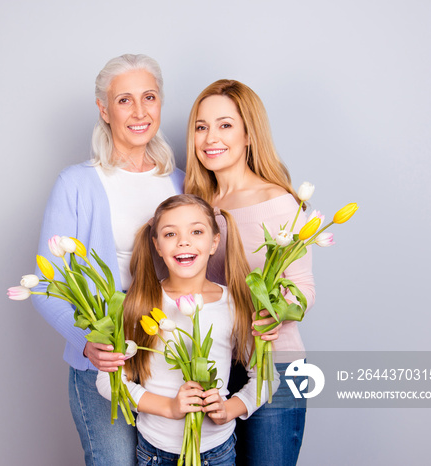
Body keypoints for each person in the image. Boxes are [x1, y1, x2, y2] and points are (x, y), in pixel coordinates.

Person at [31, 54, 184, 466]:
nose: (139, 112)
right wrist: (88, 345)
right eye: (124, 100)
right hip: (105, 361)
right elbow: (46, 284)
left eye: (149, 97)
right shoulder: (77, 184)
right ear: (104, 109)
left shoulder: (182, 183)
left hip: (169, 357)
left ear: (160, 103)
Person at [184, 79, 316, 465]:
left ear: (248, 135)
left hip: (275, 368)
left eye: (225, 125)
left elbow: (303, 287)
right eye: (201, 126)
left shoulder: (278, 201)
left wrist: (279, 310)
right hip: (216, 367)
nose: (211, 137)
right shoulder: (196, 206)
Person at [96, 194, 279, 466]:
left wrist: (229, 409)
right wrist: (169, 407)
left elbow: (268, 378)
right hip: (156, 453)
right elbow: (108, 383)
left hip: (218, 452)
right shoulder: (140, 303)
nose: (184, 241)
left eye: (196, 231)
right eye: (170, 234)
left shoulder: (236, 303)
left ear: (214, 241)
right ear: (157, 245)